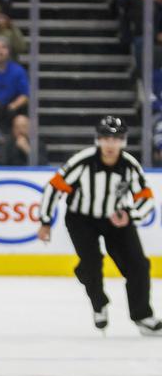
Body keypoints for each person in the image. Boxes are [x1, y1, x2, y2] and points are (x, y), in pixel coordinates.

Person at [37, 116, 161, 335]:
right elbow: (54, 188)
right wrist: (45, 221)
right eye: (106, 138)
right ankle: (99, 303)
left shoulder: (129, 165)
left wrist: (131, 215)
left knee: (139, 266)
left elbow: (146, 198)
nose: (110, 144)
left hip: (117, 219)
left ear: (123, 141)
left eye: (116, 139)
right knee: (93, 261)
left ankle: (143, 316)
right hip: (81, 219)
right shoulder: (83, 161)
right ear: (98, 140)